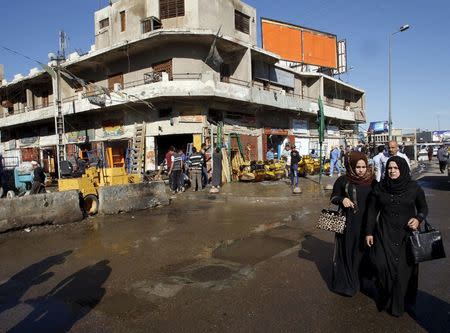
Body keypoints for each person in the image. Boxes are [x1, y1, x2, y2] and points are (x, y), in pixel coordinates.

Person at [365, 156, 428, 317]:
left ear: (403, 169)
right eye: (389, 168)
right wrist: (369, 232)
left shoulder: (413, 187)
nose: (392, 171)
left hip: (406, 236)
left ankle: (398, 304)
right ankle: (385, 295)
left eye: (395, 168)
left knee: (402, 272)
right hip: (384, 233)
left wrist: (418, 218)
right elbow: (372, 211)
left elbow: (423, 208)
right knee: (381, 266)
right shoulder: (380, 187)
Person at [330, 151, 374, 297]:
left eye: (363, 166)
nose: (361, 170)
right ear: (352, 166)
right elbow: (334, 197)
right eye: (358, 167)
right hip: (348, 223)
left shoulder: (372, 181)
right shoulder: (343, 180)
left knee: (362, 252)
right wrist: (342, 199)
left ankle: (361, 280)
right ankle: (348, 284)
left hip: (366, 224)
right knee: (348, 251)